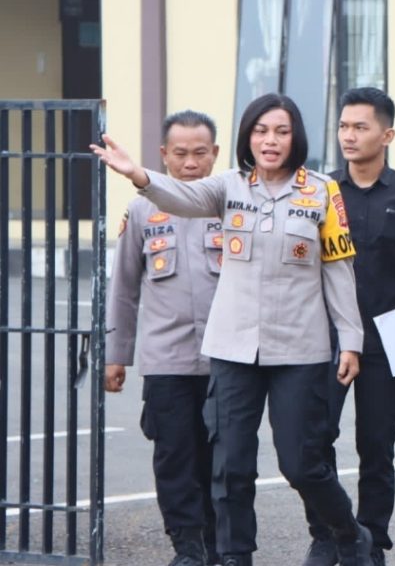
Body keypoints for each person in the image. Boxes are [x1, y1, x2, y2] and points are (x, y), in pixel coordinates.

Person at [92, 93, 373, 566]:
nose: (270, 141)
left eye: (281, 131)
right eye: (261, 131)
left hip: (299, 349)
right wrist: (138, 175)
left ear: (296, 138)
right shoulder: (228, 186)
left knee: (302, 463)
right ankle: (234, 555)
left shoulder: (322, 191)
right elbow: (180, 197)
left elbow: (337, 270)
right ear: (247, 138)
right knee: (230, 466)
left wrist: (351, 340)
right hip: (232, 348)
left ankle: (348, 533)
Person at [299, 87, 395, 566]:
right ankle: (328, 535)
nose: (349, 135)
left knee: (377, 446)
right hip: (326, 335)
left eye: (360, 127)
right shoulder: (320, 191)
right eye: (343, 126)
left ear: (387, 135)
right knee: (315, 440)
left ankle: (372, 540)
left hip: (389, 335)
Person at [105, 110, 222, 566]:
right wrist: (116, 354)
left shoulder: (232, 203)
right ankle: (187, 547)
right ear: (163, 155)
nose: (190, 163)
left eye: (200, 153)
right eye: (180, 153)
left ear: (215, 153)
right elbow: (124, 287)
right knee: (174, 457)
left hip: (224, 360)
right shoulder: (142, 209)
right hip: (165, 360)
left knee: (223, 458)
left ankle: (221, 545)